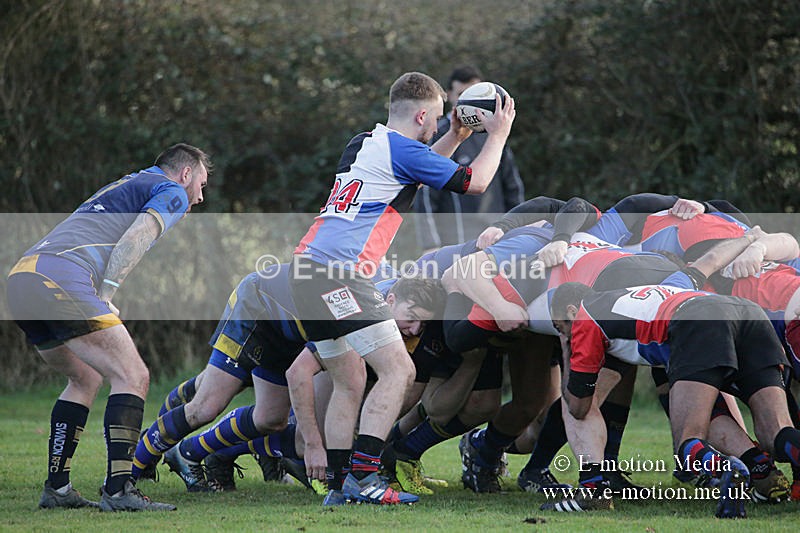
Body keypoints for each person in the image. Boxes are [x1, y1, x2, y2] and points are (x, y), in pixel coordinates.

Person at [288, 71, 515, 506]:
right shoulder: (402, 151)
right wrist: (497, 135)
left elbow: (418, 167)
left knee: (350, 378)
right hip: (339, 275)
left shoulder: (366, 142)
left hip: (306, 272)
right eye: (436, 121)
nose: (437, 128)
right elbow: (476, 183)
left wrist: (453, 135)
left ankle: (340, 485)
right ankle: (366, 478)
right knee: (400, 371)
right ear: (424, 114)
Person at [5, 143, 210, 511]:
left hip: (24, 276)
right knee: (133, 375)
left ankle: (58, 489)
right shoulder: (173, 190)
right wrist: (108, 291)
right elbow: (138, 236)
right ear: (186, 174)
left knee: (85, 377)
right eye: (201, 183)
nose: (199, 196)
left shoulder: (134, 180)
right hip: (61, 277)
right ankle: (119, 491)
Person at [414, 65, 524, 251]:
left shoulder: (494, 133)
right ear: (450, 96)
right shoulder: (436, 133)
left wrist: (517, 228)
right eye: (463, 94)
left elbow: (512, 187)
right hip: (454, 243)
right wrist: (430, 244)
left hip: (494, 237)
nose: (473, 102)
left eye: (477, 95)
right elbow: (424, 194)